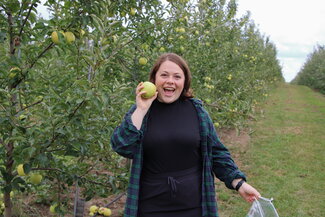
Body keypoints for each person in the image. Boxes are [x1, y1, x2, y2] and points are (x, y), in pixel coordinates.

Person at [111, 53, 261, 217]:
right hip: (150, 205)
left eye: (177, 76)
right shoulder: (141, 112)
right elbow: (122, 146)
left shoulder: (197, 111)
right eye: (164, 75)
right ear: (154, 79)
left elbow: (216, 153)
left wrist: (238, 183)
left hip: (193, 205)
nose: (170, 81)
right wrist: (141, 109)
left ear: (184, 82)